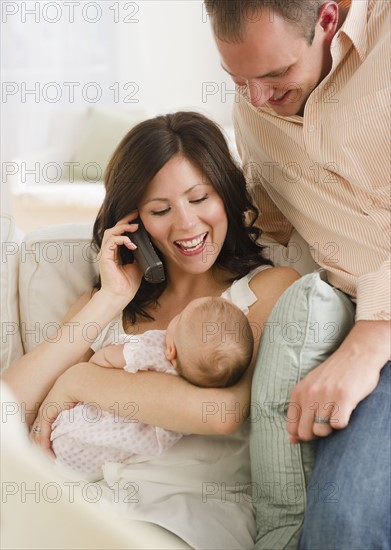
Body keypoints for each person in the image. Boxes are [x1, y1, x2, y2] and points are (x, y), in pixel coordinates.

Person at [2, 111, 298, 548]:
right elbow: (8, 404)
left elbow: (220, 411)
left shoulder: (264, 290)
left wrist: (79, 379)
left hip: (186, 519)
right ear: (133, 222)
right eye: (160, 210)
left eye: (200, 199)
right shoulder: (103, 306)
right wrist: (110, 298)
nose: (187, 224)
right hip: (83, 509)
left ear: (227, 196)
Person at [204, 0, 390, 547]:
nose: (257, 100)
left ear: (328, 20)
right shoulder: (255, 115)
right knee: (342, 528)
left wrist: (370, 339)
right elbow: (263, 234)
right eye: (237, 80)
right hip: (372, 346)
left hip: (376, 337)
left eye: (275, 76)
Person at [51, 296, 254, 479]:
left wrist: (91, 371)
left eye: (181, 317)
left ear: (172, 351)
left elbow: (106, 357)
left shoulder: (154, 348)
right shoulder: (191, 396)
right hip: (105, 455)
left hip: (71, 432)